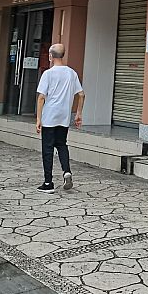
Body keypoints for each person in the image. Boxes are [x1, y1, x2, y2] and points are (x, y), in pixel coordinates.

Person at [35, 43, 85, 194]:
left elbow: (41, 97)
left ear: (51, 56)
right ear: (63, 56)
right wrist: (78, 113)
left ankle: (48, 183)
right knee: (62, 144)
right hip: (64, 117)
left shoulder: (48, 74)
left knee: (48, 149)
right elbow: (81, 94)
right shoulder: (71, 73)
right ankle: (67, 171)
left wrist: (38, 118)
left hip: (50, 116)